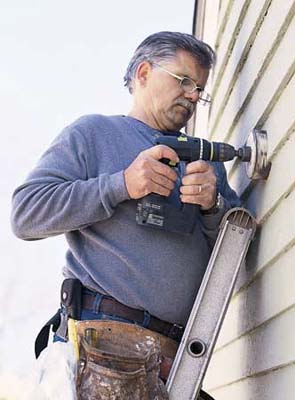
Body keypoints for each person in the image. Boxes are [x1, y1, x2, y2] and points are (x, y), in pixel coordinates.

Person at [11, 31, 240, 398]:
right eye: (184, 80)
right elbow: (27, 213)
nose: (194, 95)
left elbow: (236, 258)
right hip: (104, 347)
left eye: (200, 88)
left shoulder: (205, 163)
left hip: (174, 360)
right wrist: (121, 185)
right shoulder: (94, 134)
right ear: (144, 73)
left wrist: (214, 207)